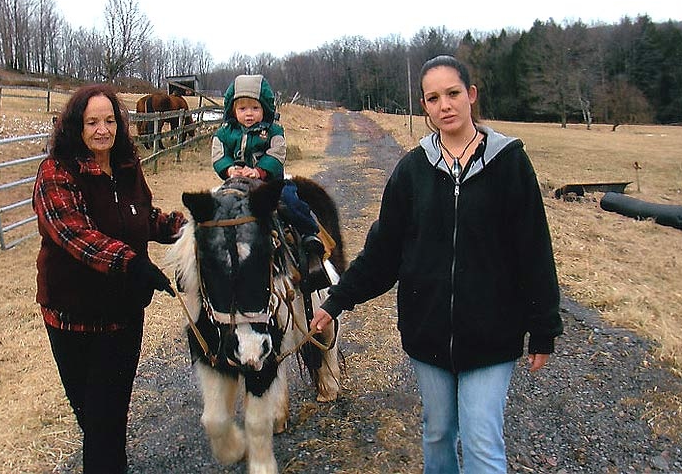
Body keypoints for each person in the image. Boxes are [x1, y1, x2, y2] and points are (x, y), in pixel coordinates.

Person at [310, 55, 563, 474]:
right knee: (438, 431)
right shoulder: (411, 171)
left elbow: (534, 249)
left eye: (453, 93)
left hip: (492, 334)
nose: (444, 105)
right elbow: (383, 252)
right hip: (427, 333)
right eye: (433, 97)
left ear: (471, 96)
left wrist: (543, 328)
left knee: (483, 440)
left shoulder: (509, 163)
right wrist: (336, 301)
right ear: (424, 106)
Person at [33, 83, 185, 473]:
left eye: (110, 120)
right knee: (96, 420)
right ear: (75, 126)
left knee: (108, 420)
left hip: (123, 317)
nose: (103, 129)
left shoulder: (126, 167)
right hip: (73, 318)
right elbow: (74, 234)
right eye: (92, 122)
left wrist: (188, 228)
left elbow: (143, 217)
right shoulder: (56, 171)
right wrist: (132, 263)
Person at [211, 74, 329, 288]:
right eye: (243, 109)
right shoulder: (225, 132)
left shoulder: (273, 131)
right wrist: (229, 169)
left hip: (269, 183)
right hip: (235, 184)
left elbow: (277, 153)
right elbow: (219, 155)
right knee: (212, 207)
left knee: (289, 201)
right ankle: (202, 255)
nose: (249, 114)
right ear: (232, 111)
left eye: (255, 108)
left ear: (265, 108)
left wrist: (259, 171)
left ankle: (308, 235)